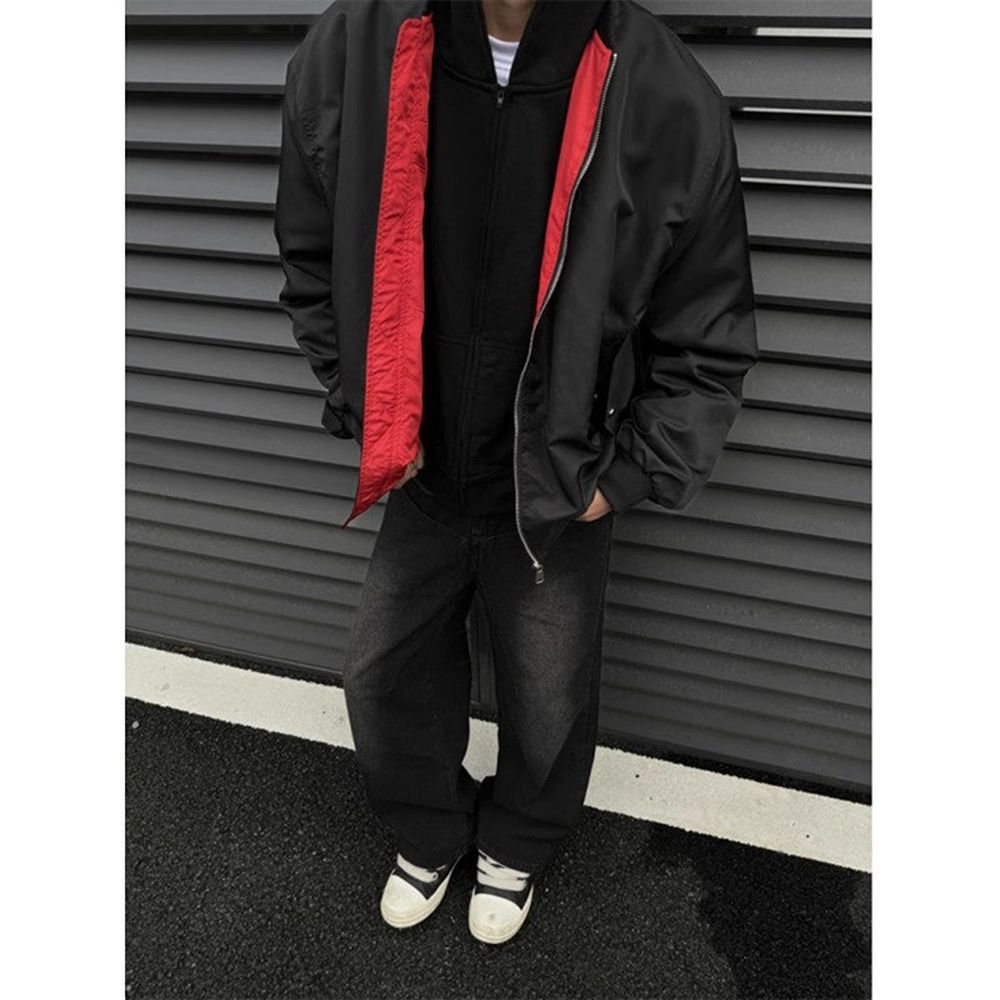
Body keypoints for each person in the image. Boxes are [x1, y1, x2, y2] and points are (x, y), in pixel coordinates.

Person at [274, 0, 758, 945]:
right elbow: (312, 253)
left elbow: (708, 335)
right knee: (382, 676)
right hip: (422, 476)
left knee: (549, 694)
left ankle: (519, 842)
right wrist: (368, 402)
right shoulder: (357, 45)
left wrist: (623, 477)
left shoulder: (661, 88)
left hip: (554, 490)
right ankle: (429, 828)